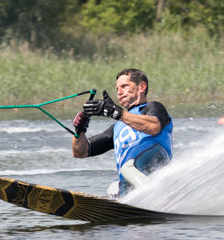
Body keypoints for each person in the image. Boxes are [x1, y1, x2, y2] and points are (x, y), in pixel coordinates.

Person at [71, 68, 173, 196]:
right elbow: (80, 152)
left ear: (141, 87)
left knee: (128, 168)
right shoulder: (117, 127)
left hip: (154, 157)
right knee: (114, 188)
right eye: (117, 89)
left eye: (124, 86)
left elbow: (153, 127)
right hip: (134, 176)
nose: (119, 92)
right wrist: (79, 129)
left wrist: (117, 113)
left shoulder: (152, 107)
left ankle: (157, 198)